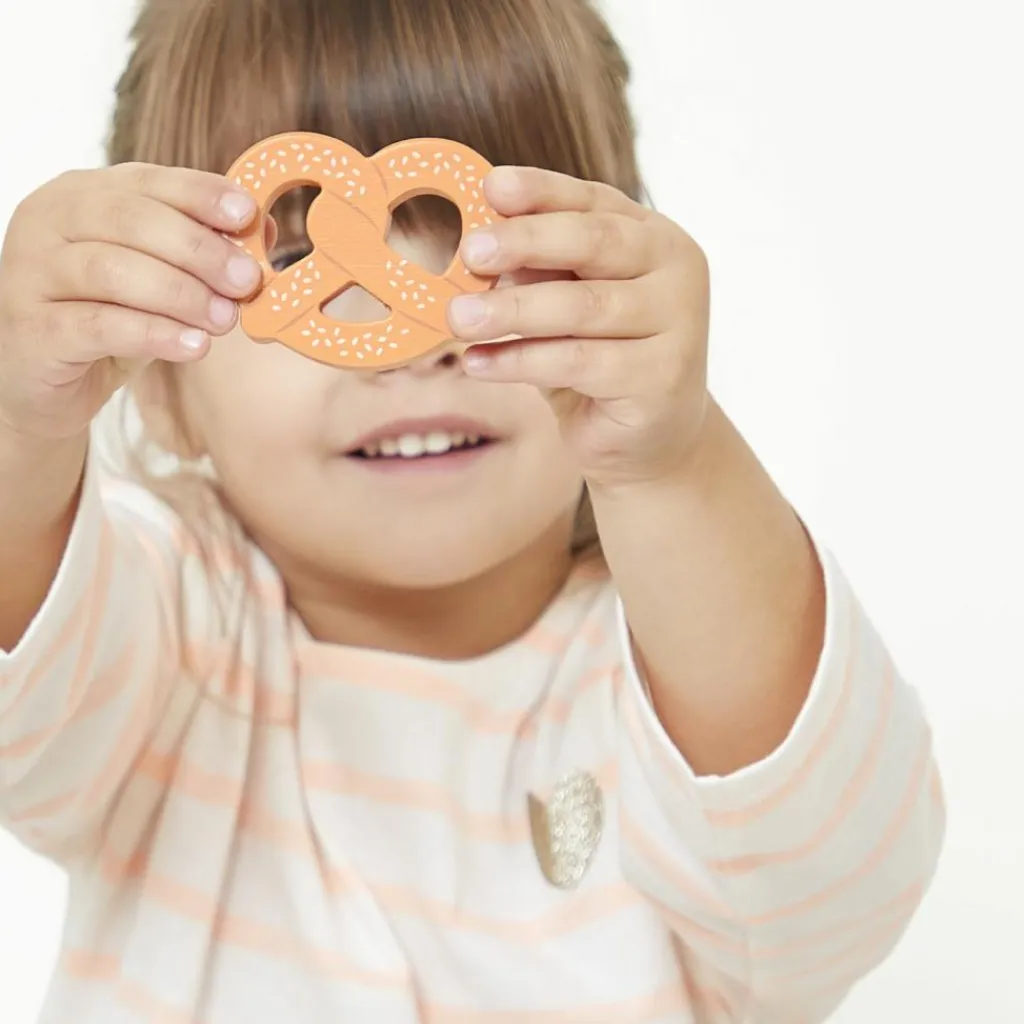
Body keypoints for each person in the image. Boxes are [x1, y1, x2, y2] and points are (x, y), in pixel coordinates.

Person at [0, 0, 944, 1021]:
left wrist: (674, 466)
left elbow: (831, 890)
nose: (418, 336)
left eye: (487, 250)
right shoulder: (166, 636)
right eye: (293, 258)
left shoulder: (669, 683)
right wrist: (20, 426)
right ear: (158, 380)